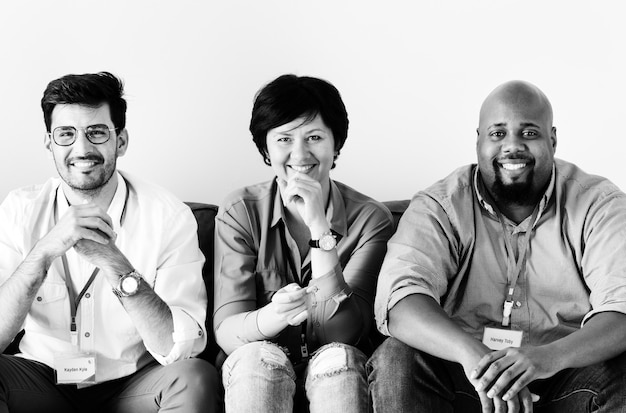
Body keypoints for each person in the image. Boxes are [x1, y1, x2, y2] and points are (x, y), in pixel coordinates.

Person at [369, 80, 626, 412]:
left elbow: (621, 307)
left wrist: (545, 358)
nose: (512, 146)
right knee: (397, 358)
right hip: (466, 380)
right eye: (498, 133)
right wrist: (474, 356)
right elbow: (400, 300)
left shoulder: (598, 204)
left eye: (529, 133)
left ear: (553, 139)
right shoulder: (440, 206)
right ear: (478, 140)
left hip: (565, 377)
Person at [0, 72, 221, 413]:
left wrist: (116, 265)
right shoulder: (20, 209)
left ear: (121, 141)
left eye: (97, 132)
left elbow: (180, 348)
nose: (82, 149)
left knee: (195, 378)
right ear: (49, 144)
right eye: (66, 135)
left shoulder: (168, 216)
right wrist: (43, 251)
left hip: (132, 385)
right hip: (40, 380)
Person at [214, 74, 394, 413]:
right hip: (257, 363)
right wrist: (275, 315)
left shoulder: (372, 219)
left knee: (337, 361)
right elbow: (227, 330)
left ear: (335, 145)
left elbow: (345, 334)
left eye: (314, 137)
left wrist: (319, 228)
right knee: (254, 359)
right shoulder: (240, 211)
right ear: (265, 147)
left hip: (338, 365)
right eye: (284, 138)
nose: (299, 154)